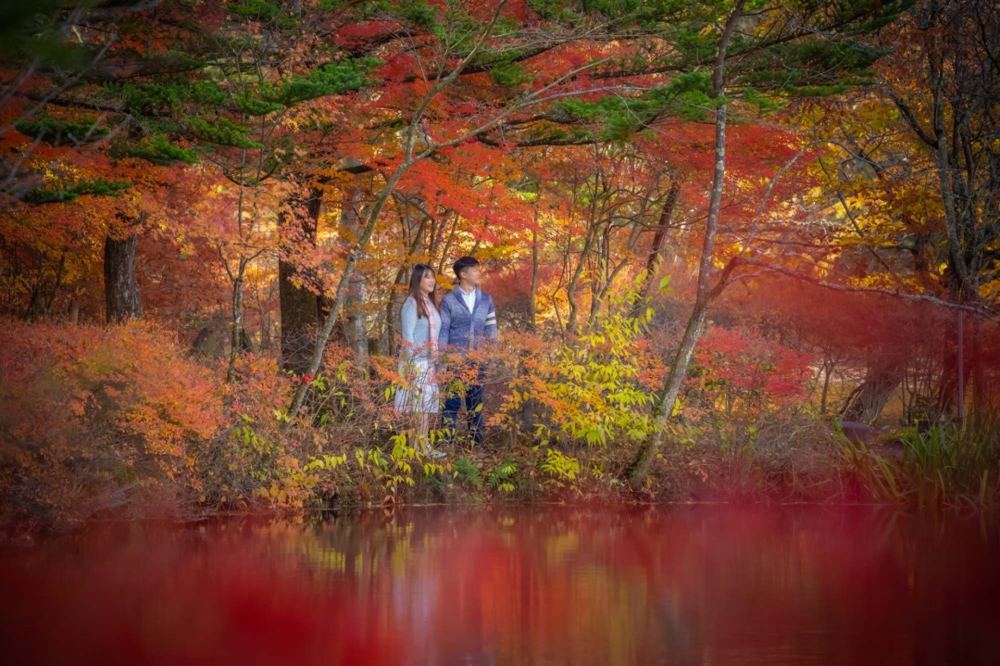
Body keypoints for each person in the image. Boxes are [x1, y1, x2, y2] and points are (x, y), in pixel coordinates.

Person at [438, 256, 498, 447]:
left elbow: (491, 329)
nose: (478, 273)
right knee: (452, 403)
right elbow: (443, 331)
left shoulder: (486, 299)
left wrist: (492, 357)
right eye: (474, 270)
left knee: (475, 403)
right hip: (455, 360)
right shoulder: (448, 300)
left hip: (478, 359)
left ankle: (475, 444)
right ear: (463, 275)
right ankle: (447, 444)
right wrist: (442, 361)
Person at [395, 263, 444, 457]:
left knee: (425, 407)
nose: (432, 281)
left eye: (433, 277)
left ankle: (421, 447)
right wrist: (409, 367)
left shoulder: (430, 304)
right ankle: (419, 448)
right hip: (415, 363)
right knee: (418, 406)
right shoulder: (411, 304)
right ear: (417, 280)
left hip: (428, 363)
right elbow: (407, 337)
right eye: (427, 277)